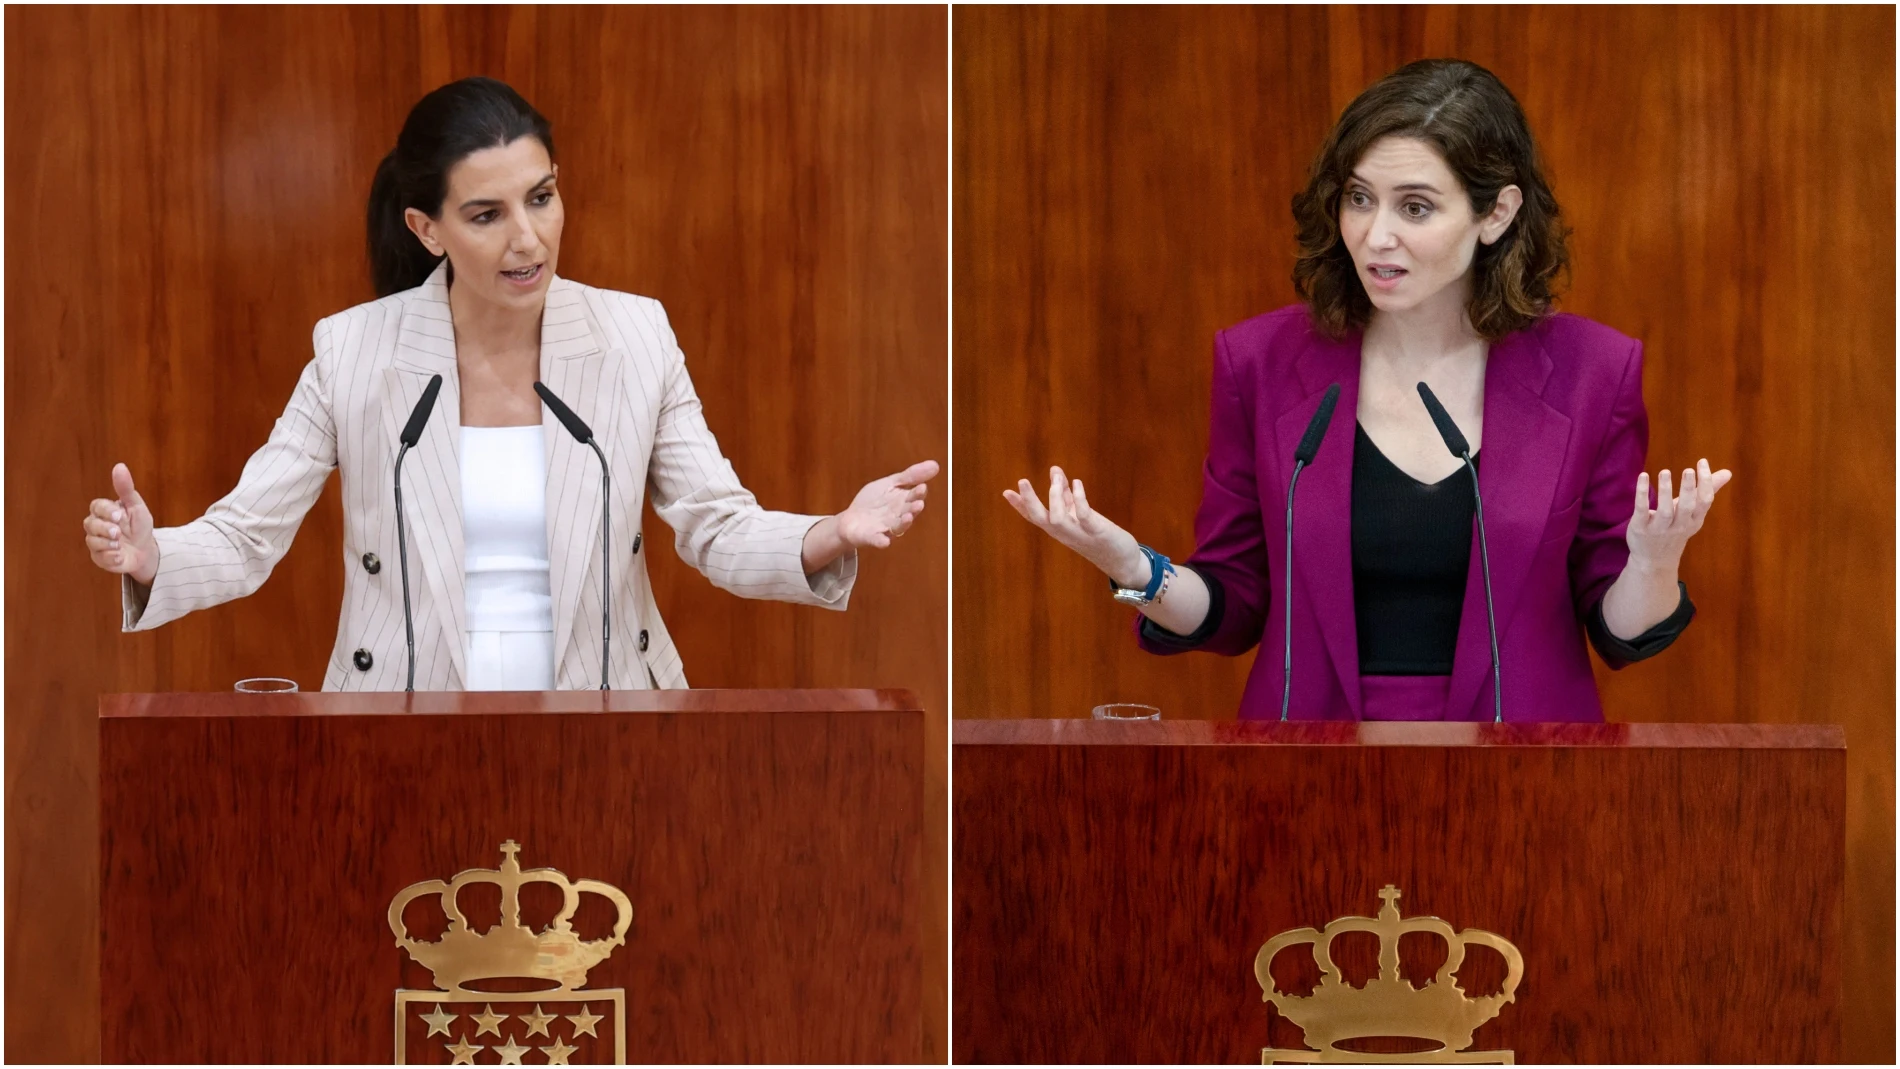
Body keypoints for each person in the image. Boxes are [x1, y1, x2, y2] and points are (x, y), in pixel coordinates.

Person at [83, 77, 937, 691]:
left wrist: (832, 532)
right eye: (488, 215)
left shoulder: (634, 337)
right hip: (402, 727)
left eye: (543, 197)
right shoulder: (353, 354)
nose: (528, 239)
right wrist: (157, 557)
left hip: (605, 721)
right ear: (427, 228)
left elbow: (716, 526)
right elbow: (246, 535)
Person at [1004, 59, 1729, 722]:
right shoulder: (1260, 361)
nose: (1375, 235)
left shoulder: (1592, 370)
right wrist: (1136, 569)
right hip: (1306, 782)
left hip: (1526, 789)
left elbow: (1621, 630)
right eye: (1359, 198)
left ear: (1496, 215)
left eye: (1414, 207)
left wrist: (1654, 562)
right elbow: (1235, 604)